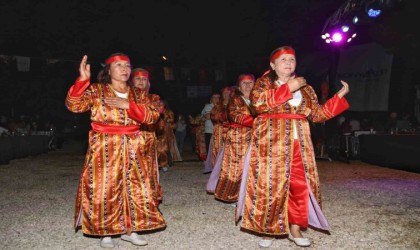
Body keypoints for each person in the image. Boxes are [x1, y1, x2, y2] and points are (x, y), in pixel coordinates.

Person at [238, 46, 349, 248]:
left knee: (300, 187)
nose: (288, 63)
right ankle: (268, 230)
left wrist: (338, 97)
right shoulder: (264, 84)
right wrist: (288, 88)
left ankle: (295, 228)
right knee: (271, 187)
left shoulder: (306, 88)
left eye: (292, 59)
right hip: (272, 143)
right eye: (283, 60)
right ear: (272, 65)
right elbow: (258, 105)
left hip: (300, 144)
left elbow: (317, 115)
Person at [65, 54, 166, 248]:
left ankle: (131, 229)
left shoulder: (139, 94)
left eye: (127, 65)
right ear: (108, 70)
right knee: (105, 187)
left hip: (134, 145)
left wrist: (129, 106)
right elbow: (74, 106)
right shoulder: (97, 90)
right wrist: (83, 81)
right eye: (118, 65)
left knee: (135, 187)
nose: (124, 69)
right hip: (104, 144)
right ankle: (106, 232)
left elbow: (153, 116)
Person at [213, 74, 255, 203]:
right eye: (244, 83)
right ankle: (234, 196)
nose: (248, 85)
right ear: (239, 87)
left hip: (258, 137)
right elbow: (235, 116)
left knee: (255, 167)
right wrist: (259, 121)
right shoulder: (235, 100)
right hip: (238, 138)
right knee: (236, 168)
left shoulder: (260, 100)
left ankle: (252, 196)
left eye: (250, 83)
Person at [131, 67, 163, 205]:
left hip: (148, 137)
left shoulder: (153, 98)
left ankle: (149, 200)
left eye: (144, 79)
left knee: (148, 170)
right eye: (138, 78)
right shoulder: (125, 95)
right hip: (129, 138)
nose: (141, 81)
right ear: (132, 81)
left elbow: (153, 115)